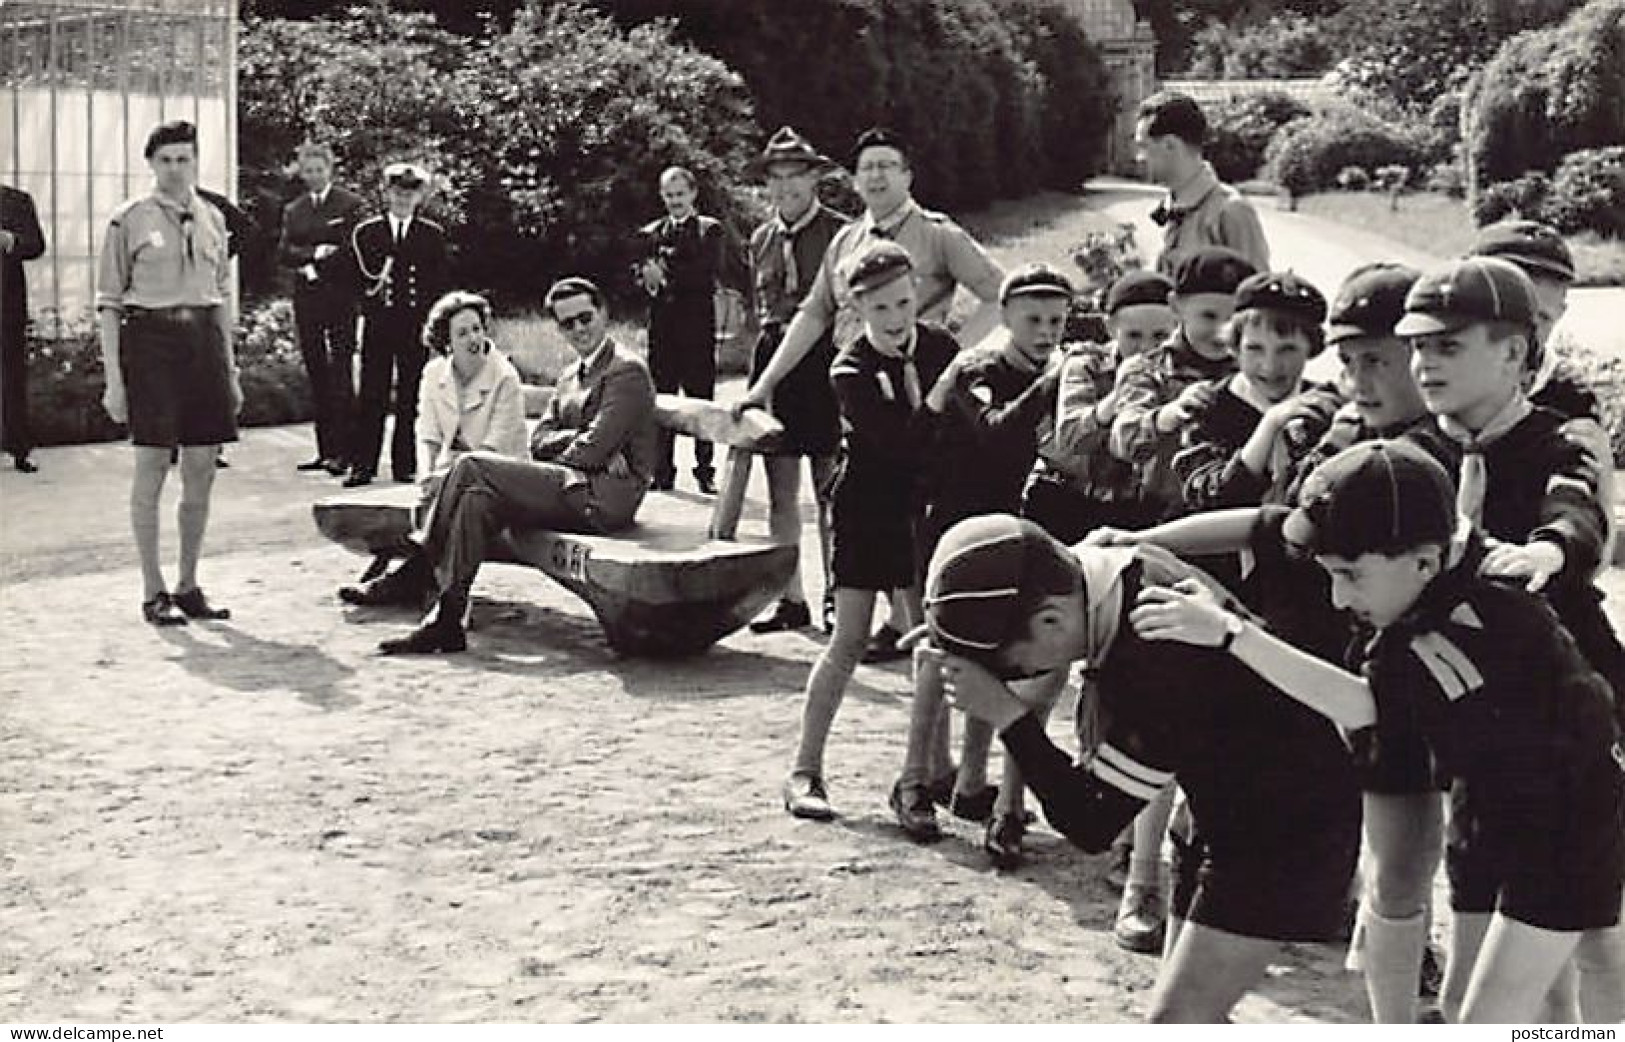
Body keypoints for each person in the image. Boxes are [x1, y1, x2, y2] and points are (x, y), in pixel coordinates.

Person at [1130, 440, 1625, 1023]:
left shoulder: (1485, 611)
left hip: (1566, 825)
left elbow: (1362, 705)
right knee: (1498, 1003)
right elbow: (1266, 527)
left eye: (1350, 575)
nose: (1339, 596)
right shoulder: (1416, 589)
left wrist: (1233, 635)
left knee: (1494, 1020)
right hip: (1494, 817)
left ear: (1423, 559)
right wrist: (1146, 544)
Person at [914, 513, 1359, 1022]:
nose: (1016, 678)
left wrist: (1009, 715)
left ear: (1053, 619)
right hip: (1227, 808)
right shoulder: (1115, 567)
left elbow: (1091, 821)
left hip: (1283, 832)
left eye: (1012, 665)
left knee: (1178, 1021)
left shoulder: (1151, 651)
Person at [739, 126, 1005, 664]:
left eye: (888, 165)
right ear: (855, 181)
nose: (877, 175)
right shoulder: (846, 241)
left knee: (912, 507)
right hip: (854, 384)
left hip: (917, 396)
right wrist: (764, 385)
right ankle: (888, 620)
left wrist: (952, 360)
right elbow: (815, 314)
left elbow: (999, 293)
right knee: (865, 502)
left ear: (907, 175)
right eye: (867, 167)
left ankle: (920, 624)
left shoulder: (936, 234)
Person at [1104, 244, 1255, 953]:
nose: (1222, 333)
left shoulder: (1255, 371)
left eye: (1233, 319)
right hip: (1156, 545)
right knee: (1157, 720)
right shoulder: (1147, 369)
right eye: (1207, 317)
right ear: (1178, 312)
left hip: (1235, 558)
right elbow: (1124, 436)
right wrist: (1169, 417)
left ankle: (1204, 872)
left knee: (1230, 728)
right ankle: (1141, 883)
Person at [892, 262, 1073, 850]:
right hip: (951, 524)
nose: (1046, 330)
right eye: (1034, 318)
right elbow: (995, 433)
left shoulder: (1059, 374)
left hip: (1012, 529)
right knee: (942, 652)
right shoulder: (980, 369)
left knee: (997, 654)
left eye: (1056, 319)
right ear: (1007, 316)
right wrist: (1052, 383)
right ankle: (913, 781)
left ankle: (973, 783)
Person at [377, 277, 655, 655]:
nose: (579, 329)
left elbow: (591, 450)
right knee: (475, 499)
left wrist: (591, 446)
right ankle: (448, 619)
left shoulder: (626, 371)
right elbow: (539, 440)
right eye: (566, 323)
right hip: (574, 484)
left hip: (604, 497)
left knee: (474, 466)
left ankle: (419, 561)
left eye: (585, 317)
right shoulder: (571, 374)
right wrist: (585, 441)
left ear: (604, 313)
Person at [781, 241, 958, 822]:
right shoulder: (849, 369)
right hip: (866, 509)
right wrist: (941, 393)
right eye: (882, 309)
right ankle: (805, 769)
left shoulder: (940, 348)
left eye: (906, 303)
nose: (898, 318)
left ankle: (936, 769)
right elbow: (904, 441)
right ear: (858, 312)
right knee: (850, 638)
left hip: (922, 510)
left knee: (927, 642)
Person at [96, 120, 241, 626]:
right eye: (166, 160)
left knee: (201, 470)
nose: (175, 169)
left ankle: (188, 583)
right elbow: (109, 305)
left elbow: (220, 297)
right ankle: (152, 589)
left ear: (196, 161)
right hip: (150, 344)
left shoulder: (213, 220)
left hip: (201, 344)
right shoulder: (128, 220)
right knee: (152, 468)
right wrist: (114, 380)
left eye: (184, 159)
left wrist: (231, 368)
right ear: (151, 165)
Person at [338, 290, 528, 610]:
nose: (473, 339)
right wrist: (427, 473)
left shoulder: (505, 379)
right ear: (446, 342)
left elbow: (491, 452)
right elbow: (426, 434)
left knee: (464, 499)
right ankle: (418, 578)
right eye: (462, 333)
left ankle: (410, 577)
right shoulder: (433, 374)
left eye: (477, 329)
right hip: (451, 475)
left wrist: (445, 479)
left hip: (503, 479)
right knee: (436, 495)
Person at [743, 128, 850, 635]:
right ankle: (790, 598)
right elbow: (758, 311)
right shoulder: (761, 239)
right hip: (775, 364)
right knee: (780, 492)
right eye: (776, 178)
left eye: (795, 176)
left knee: (830, 488)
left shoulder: (841, 233)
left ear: (815, 180)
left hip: (825, 364)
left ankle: (836, 597)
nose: (785, 188)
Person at [1026, 269, 1176, 545]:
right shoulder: (1087, 365)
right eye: (1133, 336)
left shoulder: (1177, 372)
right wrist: (1114, 401)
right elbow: (1070, 438)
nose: (1145, 348)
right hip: (1074, 502)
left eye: (1159, 337)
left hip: (1143, 509)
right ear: (1110, 328)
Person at [1171, 270, 1339, 511]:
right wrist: (1270, 424)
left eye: (1288, 349)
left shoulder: (1325, 407)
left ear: (1311, 348)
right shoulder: (1207, 407)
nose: (1270, 366)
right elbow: (1210, 498)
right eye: (1255, 348)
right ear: (1235, 347)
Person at [348, 162, 450, 488]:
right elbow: (355, 279)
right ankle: (362, 465)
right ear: (386, 193)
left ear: (419, 196)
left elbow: (438, 284)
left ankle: (405, 464)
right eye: (397, 192)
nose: (403, 198)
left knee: (411, 396)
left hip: (414, 327)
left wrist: (435, 329)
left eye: (410, 192)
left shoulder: (431, 235)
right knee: (371, 395)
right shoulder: (367, 233)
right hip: (379, 325)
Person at [637, 166, 732, 495]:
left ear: (693, 194)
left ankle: (704, 470)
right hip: (661, 330)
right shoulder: (650, 233)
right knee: (660, 399)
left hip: (696, 330)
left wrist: (664, 275)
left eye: (680, 194)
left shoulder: (710, 230)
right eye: (669, 195)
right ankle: (662, 471)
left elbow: (705, 273)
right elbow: (640, 277)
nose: (675, 201)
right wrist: (648, 281)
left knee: (700, 399)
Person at [278, 142, 366, 477]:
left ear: (330, 170)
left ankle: (347, 451)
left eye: (319, 170)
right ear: (301, 173)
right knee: (316, 370)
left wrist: (320, 261)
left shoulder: (350, 204)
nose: (314, 176)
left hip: (341, 298)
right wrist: (313, 256)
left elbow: (350, 249)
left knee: (341, 372)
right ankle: (325, 449)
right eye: (308, 170)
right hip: (308, 299)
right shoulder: (294, 209)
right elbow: (285, 251)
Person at [1135, 91, 1270, 273]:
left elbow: (1256, 293)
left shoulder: (1230, 212)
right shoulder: (1169, 210)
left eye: (1144, 147)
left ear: (1170, 145)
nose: (1139, 158)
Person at [1, 182, 45, 474]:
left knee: (12, 377)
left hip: (6, 306)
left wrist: (11, 241)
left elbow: (37, 245)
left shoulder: (17, 200)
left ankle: (19, 449)